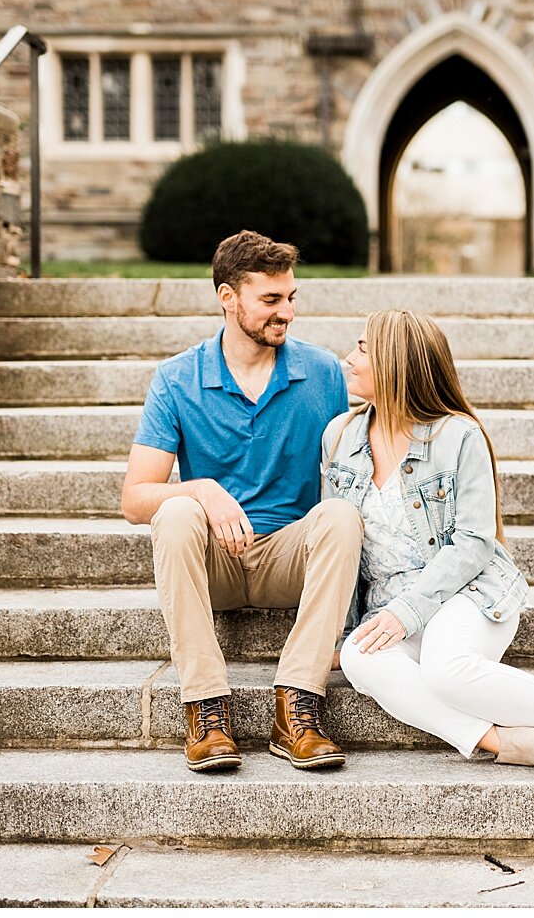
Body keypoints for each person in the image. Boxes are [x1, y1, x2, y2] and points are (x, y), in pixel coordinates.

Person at [325, 309, 534, 773]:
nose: (348, 358)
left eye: (362, 348)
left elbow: (473, 542)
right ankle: (504, 742)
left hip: (466, 593)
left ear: (394, 362)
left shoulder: (458, 436)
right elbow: (339, 546)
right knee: (359, 657)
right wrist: (343, 629)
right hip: (390, 604)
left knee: (448, 671)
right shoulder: (340, 437)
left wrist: (409, 611)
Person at [121, 230, 363, 772]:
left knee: (343, 515)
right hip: (216, 562)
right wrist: (203, 489)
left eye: (292, 298)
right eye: (271, 301)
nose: (287, 314)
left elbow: (358, 467)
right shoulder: (177, 378)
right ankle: (206, 709)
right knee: (176, 508)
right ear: (228, 298)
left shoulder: (323, 371)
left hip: (288, 556)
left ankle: (297, 708)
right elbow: (136, 499)